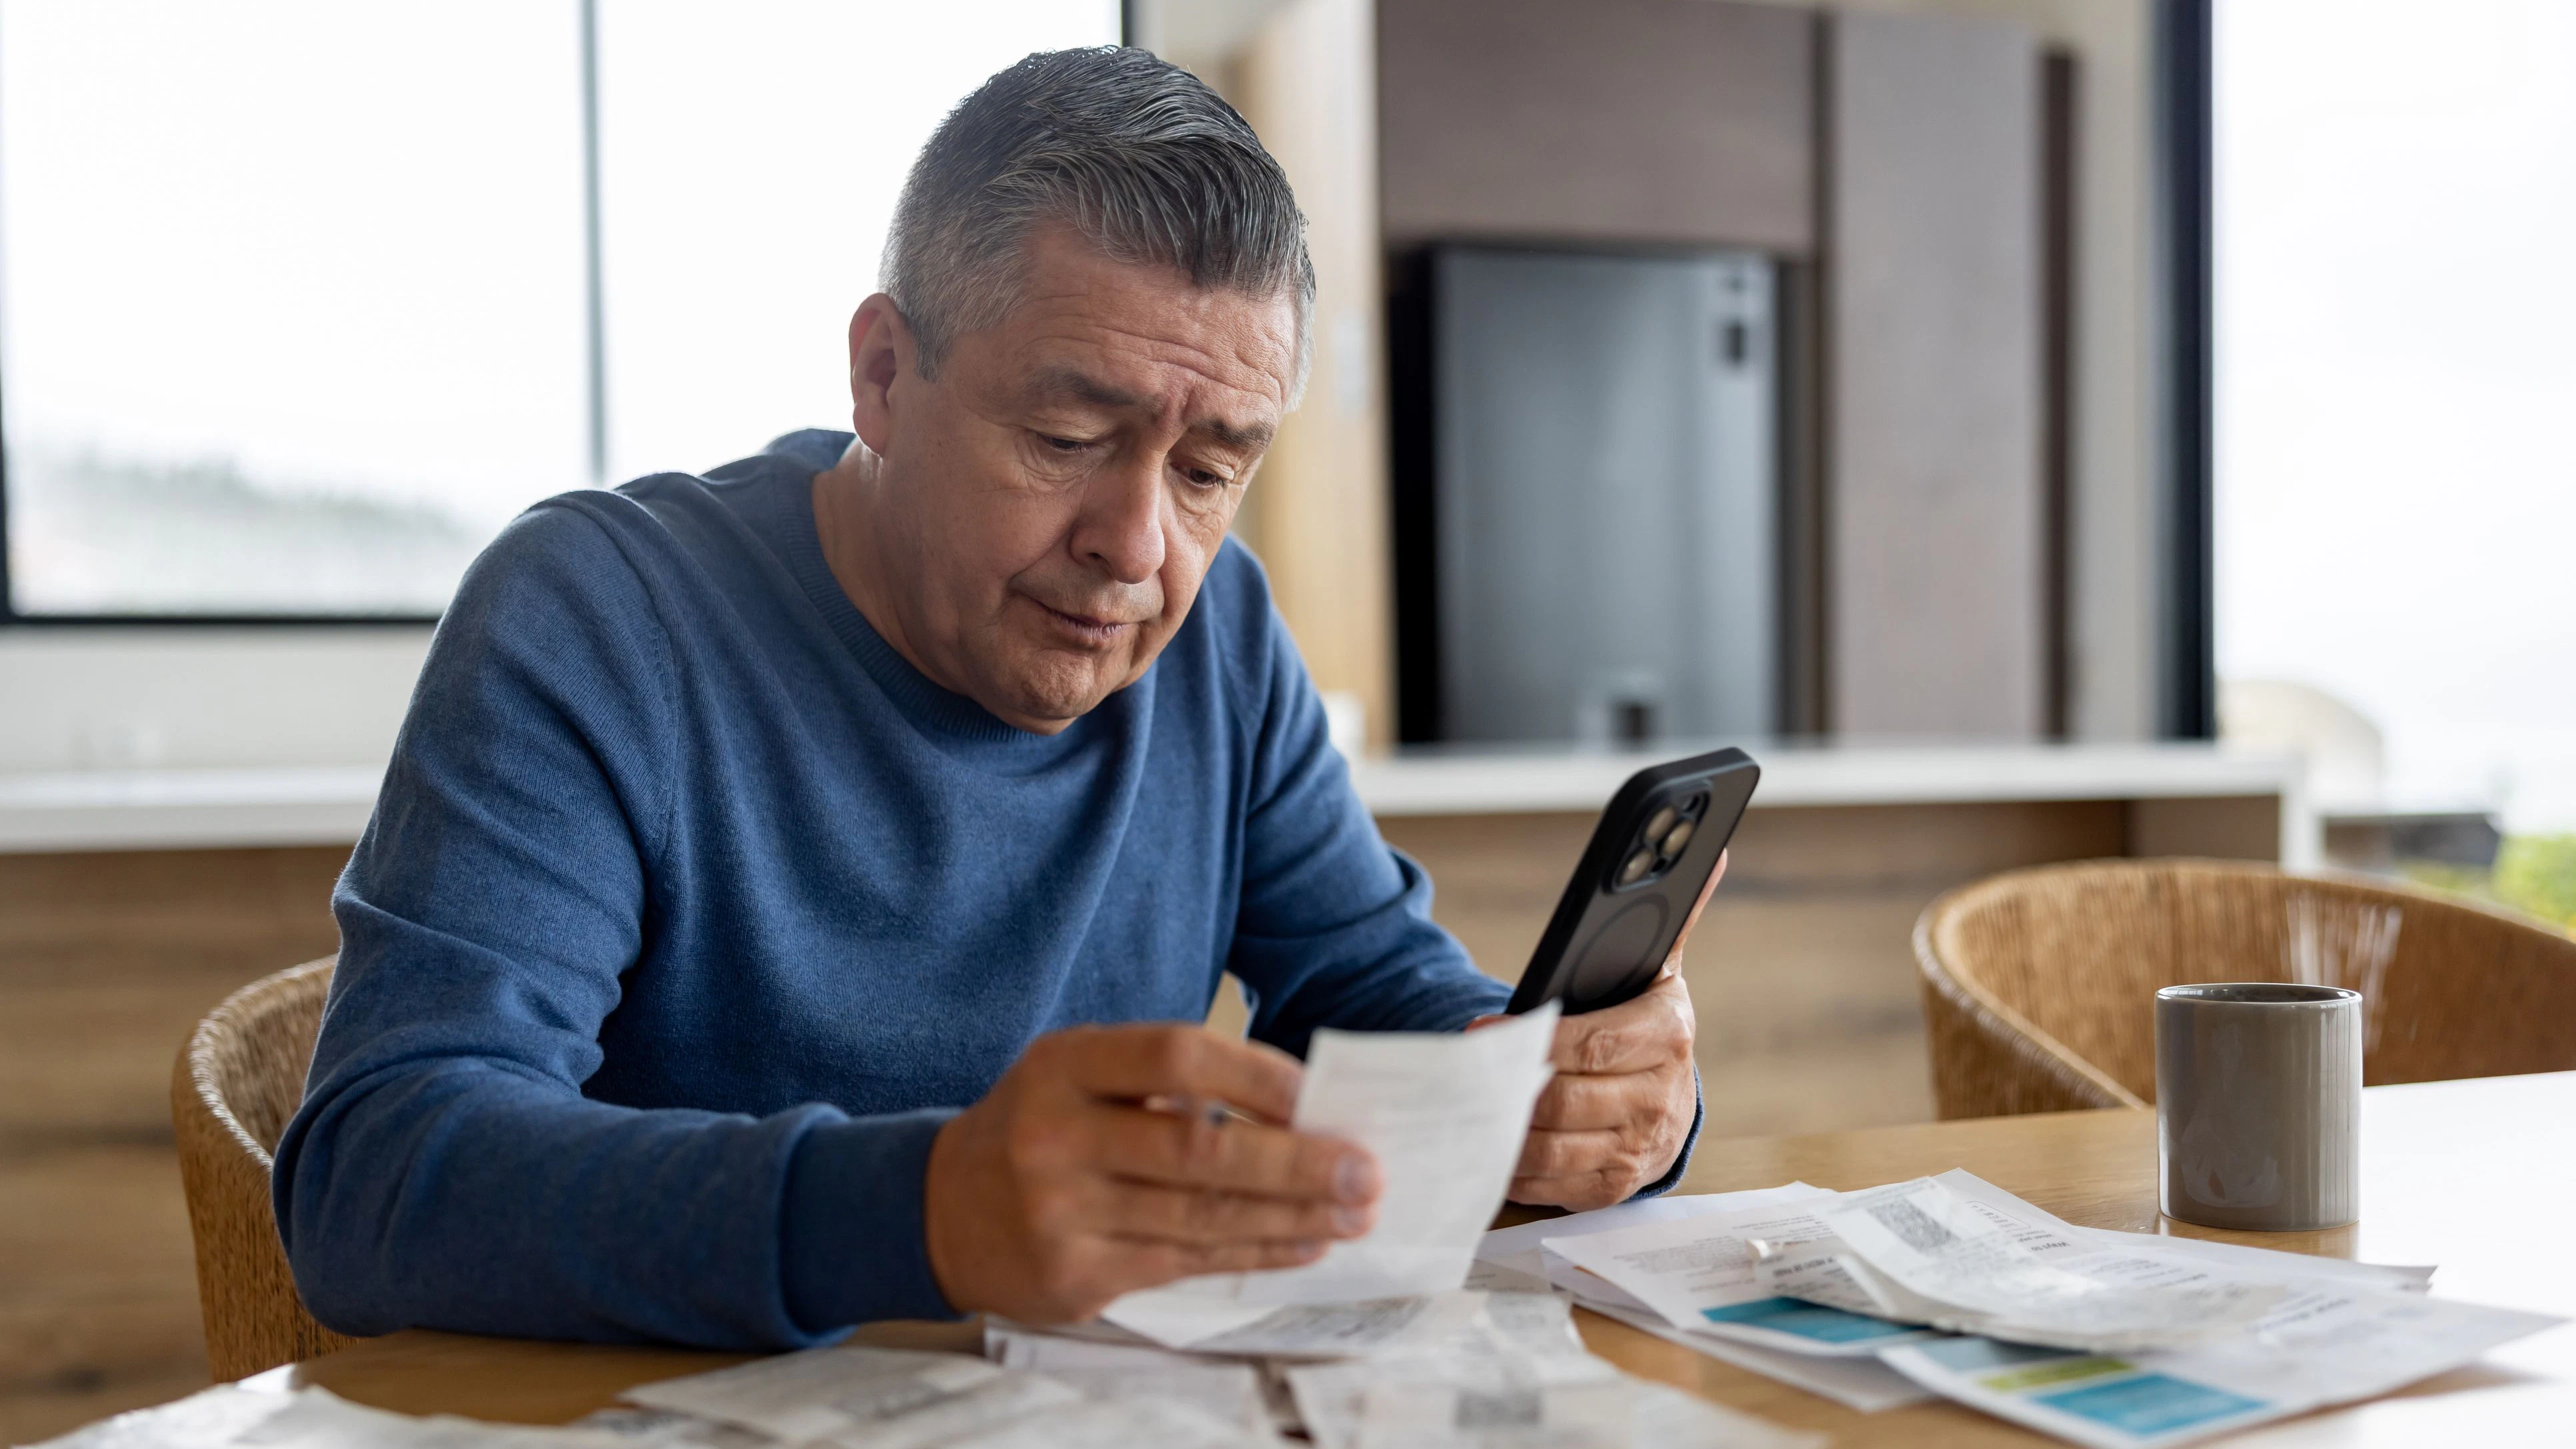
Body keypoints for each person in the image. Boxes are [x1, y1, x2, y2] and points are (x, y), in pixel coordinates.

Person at [275, 46, 1706, 1350]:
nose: (1139, 549)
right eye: (1069, 435)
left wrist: (1566, 1094)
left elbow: (1374, 990)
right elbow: (379, 1176)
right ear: (885, 374)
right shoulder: (598, 617)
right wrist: (922, 1213)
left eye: (1211, 473)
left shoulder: (1220, 645)